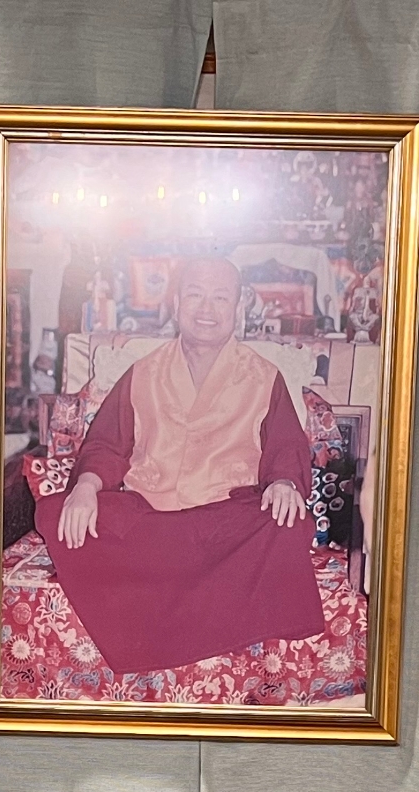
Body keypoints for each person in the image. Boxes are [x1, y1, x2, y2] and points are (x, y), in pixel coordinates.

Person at [34, 257, 327, 675]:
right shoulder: (143, 372)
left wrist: (283, 482)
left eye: (220, 298)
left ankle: (165, 614)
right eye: (195, 295)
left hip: (222, 523)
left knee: (289, 523)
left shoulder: (264, 377)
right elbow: (107, 445)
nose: (207, 309)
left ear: (238, 308)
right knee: (53, 512)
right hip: (154, 521)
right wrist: (84, 488)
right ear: (176, 304)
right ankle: (210, 607)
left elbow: (285, 447)